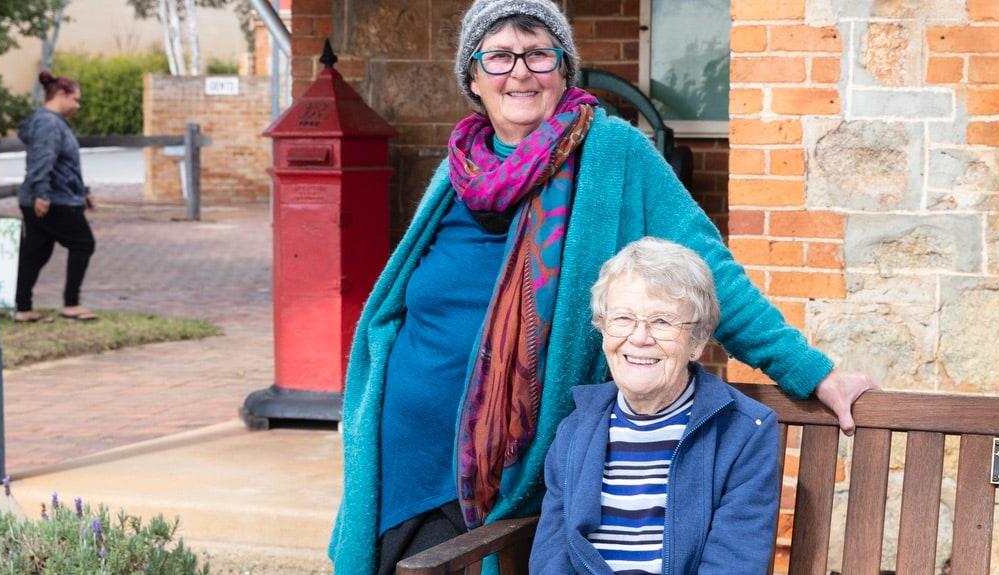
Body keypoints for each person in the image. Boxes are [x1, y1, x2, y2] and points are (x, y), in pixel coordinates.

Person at [329, 1, 874, 573]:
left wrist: (812, 372)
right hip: (403, 449)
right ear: (472, 77)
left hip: (505, 465)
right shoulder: (459, 168)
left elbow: (710, 275)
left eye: (539, 54)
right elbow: (397, 302)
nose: (520, 72)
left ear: (564, 70)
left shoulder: (612, 154)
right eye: (499, 57)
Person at [529, 238, 780, 574]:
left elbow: (733, 562)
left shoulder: (744, 432)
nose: (639, 337)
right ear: (603, 329)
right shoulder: (576, 429)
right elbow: (552, 555)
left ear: (697, 341)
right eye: (623, 318)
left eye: (662, 321)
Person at [13, 70, 98, 322]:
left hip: (52, 197)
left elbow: (66, 165)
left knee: (36, 252)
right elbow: (42, 160)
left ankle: (23, 308)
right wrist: (41, 194)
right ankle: (71, 304)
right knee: (83, 243)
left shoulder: (51, 122)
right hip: (53, 200)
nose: (78, 106)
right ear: (61, 94)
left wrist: (84, 193)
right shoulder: (48, 124)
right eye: (75, 99)